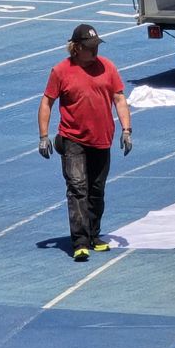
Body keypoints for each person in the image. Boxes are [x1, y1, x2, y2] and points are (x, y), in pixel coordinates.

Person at [38, 24, 132, 263]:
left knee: (96, 190)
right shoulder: (61, 71)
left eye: (96, 46)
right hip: (72, 139)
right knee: (78, 187)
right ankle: (79, 242)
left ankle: (93, 235)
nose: (95, 51)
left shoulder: (107, 67)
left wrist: (126, 130)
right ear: (77, 48)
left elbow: (119, 98)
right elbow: (47, 102)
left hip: (101, 138)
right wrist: (43, 136)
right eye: (90, 47)